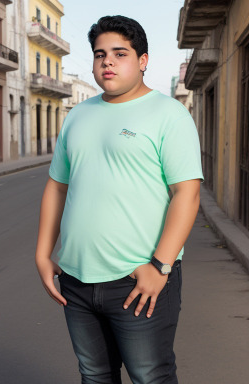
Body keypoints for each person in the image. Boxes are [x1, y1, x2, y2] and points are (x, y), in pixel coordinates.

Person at [35, 15, 204, 384]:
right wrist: (42, 254)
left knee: (150, 376)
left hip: (138, 279)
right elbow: (57, 186)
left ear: (143, 61)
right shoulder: (77, 115)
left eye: (119, 53)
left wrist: (160, 267)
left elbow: (187, 194)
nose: (107, 61)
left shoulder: (168, 114)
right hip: (76, 280)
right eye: (99, 54)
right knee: (94, 375)